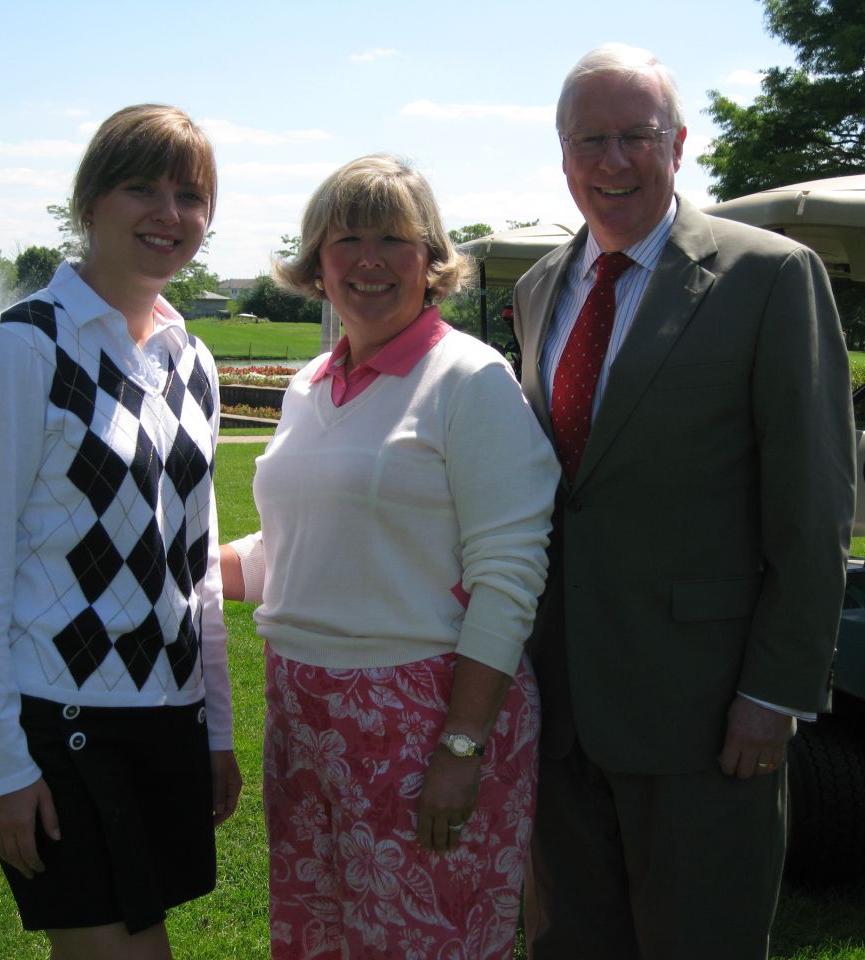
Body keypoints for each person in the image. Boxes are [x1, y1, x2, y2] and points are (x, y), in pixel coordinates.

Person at [513, 45, 855, 959]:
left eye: (636, 136)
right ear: (562, 153)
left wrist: (774, 694)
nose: (612, 161)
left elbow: (813, 510)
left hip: (706, 713)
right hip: (559, 700)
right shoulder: (539, 288)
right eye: (591, 140)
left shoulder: (771, 277)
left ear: (679, 144)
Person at [220, 154, 560, 959]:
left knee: (427, 941)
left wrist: (462, 744)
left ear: (430, 259)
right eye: (346, 240)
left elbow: (508, 578)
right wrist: (176, 566)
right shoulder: (309, 384)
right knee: (320, 940)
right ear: (316, 261)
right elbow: (294, 553)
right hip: (302, 716)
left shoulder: (468, 379)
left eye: (393, 239)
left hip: (424, 720)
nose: (368, 261)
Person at [0, 104, 241, 960]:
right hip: (64, 726)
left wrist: (214, 728)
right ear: (91, 201)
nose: (168, 215)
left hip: (168, 719)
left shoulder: (193, 360)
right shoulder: (22, 351)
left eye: (190, 195)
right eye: (141, 187)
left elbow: (195, 571)